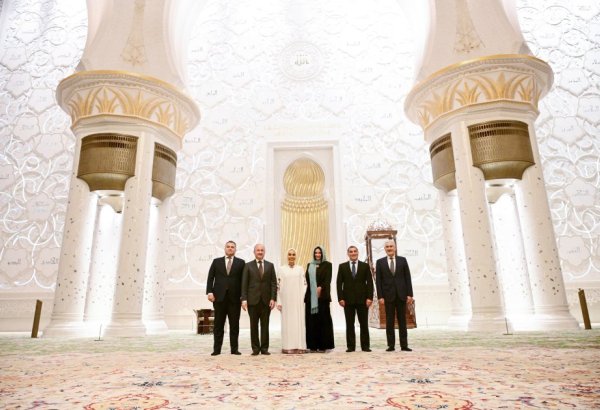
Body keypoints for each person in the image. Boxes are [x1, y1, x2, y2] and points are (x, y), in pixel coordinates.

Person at [206, 240, 245, 356]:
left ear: (235, 249)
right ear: (225, 249)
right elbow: (210, 277)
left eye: (232, 247)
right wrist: (209, 292)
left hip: (235, 299)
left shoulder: (241, 263)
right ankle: (217, 350)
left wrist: (243, 297)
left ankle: (234, 349)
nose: (230, 248)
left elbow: (244, 281)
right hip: (219, 298)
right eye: (228, 246)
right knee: (218, 325)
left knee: (234, 325)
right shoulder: (216, 261)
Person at [376, 239, 414, 352]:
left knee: (402, 321)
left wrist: (410, 294)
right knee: (389, 321)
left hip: (402, 295)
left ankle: (404, 345)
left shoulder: (403, 260)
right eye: (387, 247)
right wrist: (380, 296)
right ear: (385, 249)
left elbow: (407, 278)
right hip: (388, 296)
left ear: (395, 248)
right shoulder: (380, 262)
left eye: (391, 246)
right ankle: (391, 345)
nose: (389, 248)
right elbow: (378, 281)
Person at [241, 243, 277, 355]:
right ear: (254, 252)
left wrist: (273, 298)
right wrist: (244, 299)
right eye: (258, 250)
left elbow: (273, 283)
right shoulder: (248, 266)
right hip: (252, 301)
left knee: (265, 326)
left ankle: (264, 348)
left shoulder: (270, 265)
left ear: (264, 252)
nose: (260, 252)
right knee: (254, 326)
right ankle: (255, 348)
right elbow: (244, 284)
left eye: (262, 250)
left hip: (266, 301)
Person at [336, 245, 374, 352]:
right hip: (347, 301)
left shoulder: (365, 266)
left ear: (357, 253)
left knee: (364, 324)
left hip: (363, 300)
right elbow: (339, 283)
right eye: (351, 252)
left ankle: (365, 346)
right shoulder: (342, 266)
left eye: (355, 251)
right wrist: (340, 298)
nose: (353, 253)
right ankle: (351, 346)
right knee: (349, 324)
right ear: (348, 254)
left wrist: (370, 298)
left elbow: (370, 283)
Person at [277, 248, 307, 354]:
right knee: (287, 323)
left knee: (298, 322)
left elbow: (304, 284)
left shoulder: (300, 269)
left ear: (296, 256)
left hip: (298, 300)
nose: (291, 256)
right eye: (289, 254)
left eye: (293, 254)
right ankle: (288, 346)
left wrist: (302, 298)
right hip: (286, 301)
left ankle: (299, 346)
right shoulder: (281, 269)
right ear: (287, 256)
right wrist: (279, 301)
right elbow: (278, 287)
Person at [304, 245, 335, 352]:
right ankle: (312, 345)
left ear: (323, 254)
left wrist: (320, 287)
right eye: (316, 253)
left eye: (319, 253)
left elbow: (327, 280)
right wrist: (314, 288)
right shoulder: (310, 265)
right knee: (311, 322)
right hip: (311, 298)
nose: (317, 254)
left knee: (323, 321)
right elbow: (307, 280)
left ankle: (323, 345)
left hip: (322, 298)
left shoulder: (328, 265)